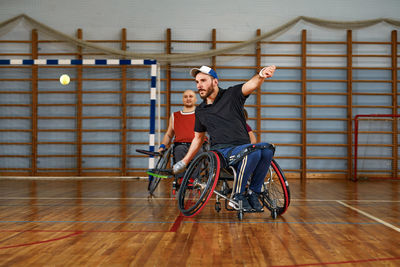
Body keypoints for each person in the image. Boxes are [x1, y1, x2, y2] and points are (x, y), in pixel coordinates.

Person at [173, 65, 276, 212]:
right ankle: (237, 196)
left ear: (215, 81)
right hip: (221, 152)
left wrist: (261, 75)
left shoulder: (232, 94)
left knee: (267, 148)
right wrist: (184, 161)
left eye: (203, 80)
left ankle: (253, 192)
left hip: (243, 148)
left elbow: (251, 84)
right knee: (252, 151)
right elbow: (198, 138)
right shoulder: (201, 111)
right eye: (197, 82)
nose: (199, 85)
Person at [158, 89, 199, 171]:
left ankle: (192, 180)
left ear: (195, 99)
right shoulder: (175, 115)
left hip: (197, 146)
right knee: (179, 150)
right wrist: (162, 146)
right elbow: (169, 135)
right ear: (182, 99)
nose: (188, 98)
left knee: (198, 151)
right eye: (185, 97)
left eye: (191, 96)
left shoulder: (201, 114)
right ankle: (180, 179)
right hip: (180, 146)